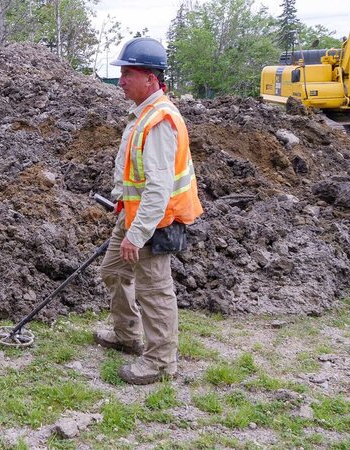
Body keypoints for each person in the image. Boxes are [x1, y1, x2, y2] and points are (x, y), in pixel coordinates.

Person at [93, 37, 203, 385]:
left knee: (154, 291)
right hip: (133, 216)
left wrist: (137, 234)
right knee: (112, 270)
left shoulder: (159, 121)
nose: (121, 80)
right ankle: (127, 335)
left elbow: (157, 187)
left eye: (128, 73)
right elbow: (136, 175)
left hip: (155, 223)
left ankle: (160, 362)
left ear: (151, 79)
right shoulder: (143, 114)